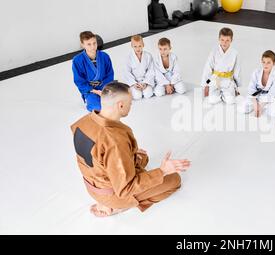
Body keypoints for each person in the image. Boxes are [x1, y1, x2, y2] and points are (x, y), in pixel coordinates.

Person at [70, 82, 191, 217]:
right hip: (114, 193)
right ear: (120, 105)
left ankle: (111, 199)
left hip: (92, 185)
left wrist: (130, 155)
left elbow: (97, 156)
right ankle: (118, 206)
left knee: (143, 157)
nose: (131, 106)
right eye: (130, 103)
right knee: (174, 179)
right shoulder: (115, 141)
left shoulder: (82, 122)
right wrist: (163, 171)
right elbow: (125, 189)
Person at [72, 31, 114, 111]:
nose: (93, 46)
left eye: (94, 43)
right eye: (89, 44)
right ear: (82, 44)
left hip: (104, 86)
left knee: (113, 104)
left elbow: (109, 75)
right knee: (97, 108)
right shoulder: (77, 60)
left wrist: (104, 90)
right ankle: (88, 99)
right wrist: (95, 91)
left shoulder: (105, 56)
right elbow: (79, 81)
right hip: (90, 89)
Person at [201, 27, 241, 105]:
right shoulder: (214, 52)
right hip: (215, 79)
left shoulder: (234, 53)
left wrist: (237, 87)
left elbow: (237, 71)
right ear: (219, 39)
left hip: (228, 80)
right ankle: (219, 94)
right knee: (212, 100)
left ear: (231, 40)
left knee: (231, 101)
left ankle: (225, 94)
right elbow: (208, 69)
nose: (224, 43)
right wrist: (206, 85)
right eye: (222, 40)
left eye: (227, 40)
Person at [239, 50, 275, 117]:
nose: (265, 65)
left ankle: (265, 106)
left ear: (274, 63)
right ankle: (255, 105)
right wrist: (255, 106)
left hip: (266, 98)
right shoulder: (256, 72)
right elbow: (251, 88)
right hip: (254, 96)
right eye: (264, 62)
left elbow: (272, 93)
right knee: (242, 109)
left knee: (274, 113)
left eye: (268, 62)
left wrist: (260, 108)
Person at [123, 35, 156, 100]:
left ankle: (145, 87)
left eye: (140, 46)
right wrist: (134, 83)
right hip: (134, 82)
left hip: (145, 80)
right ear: (132, 46)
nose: (138, 48)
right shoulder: (129, 57)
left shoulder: (148, 56)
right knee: (137, 96)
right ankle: (133, 89)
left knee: (148, 94)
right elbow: (127, 72)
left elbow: (151, 70)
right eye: (135, 46)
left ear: (143, 45)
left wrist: (146, 83)